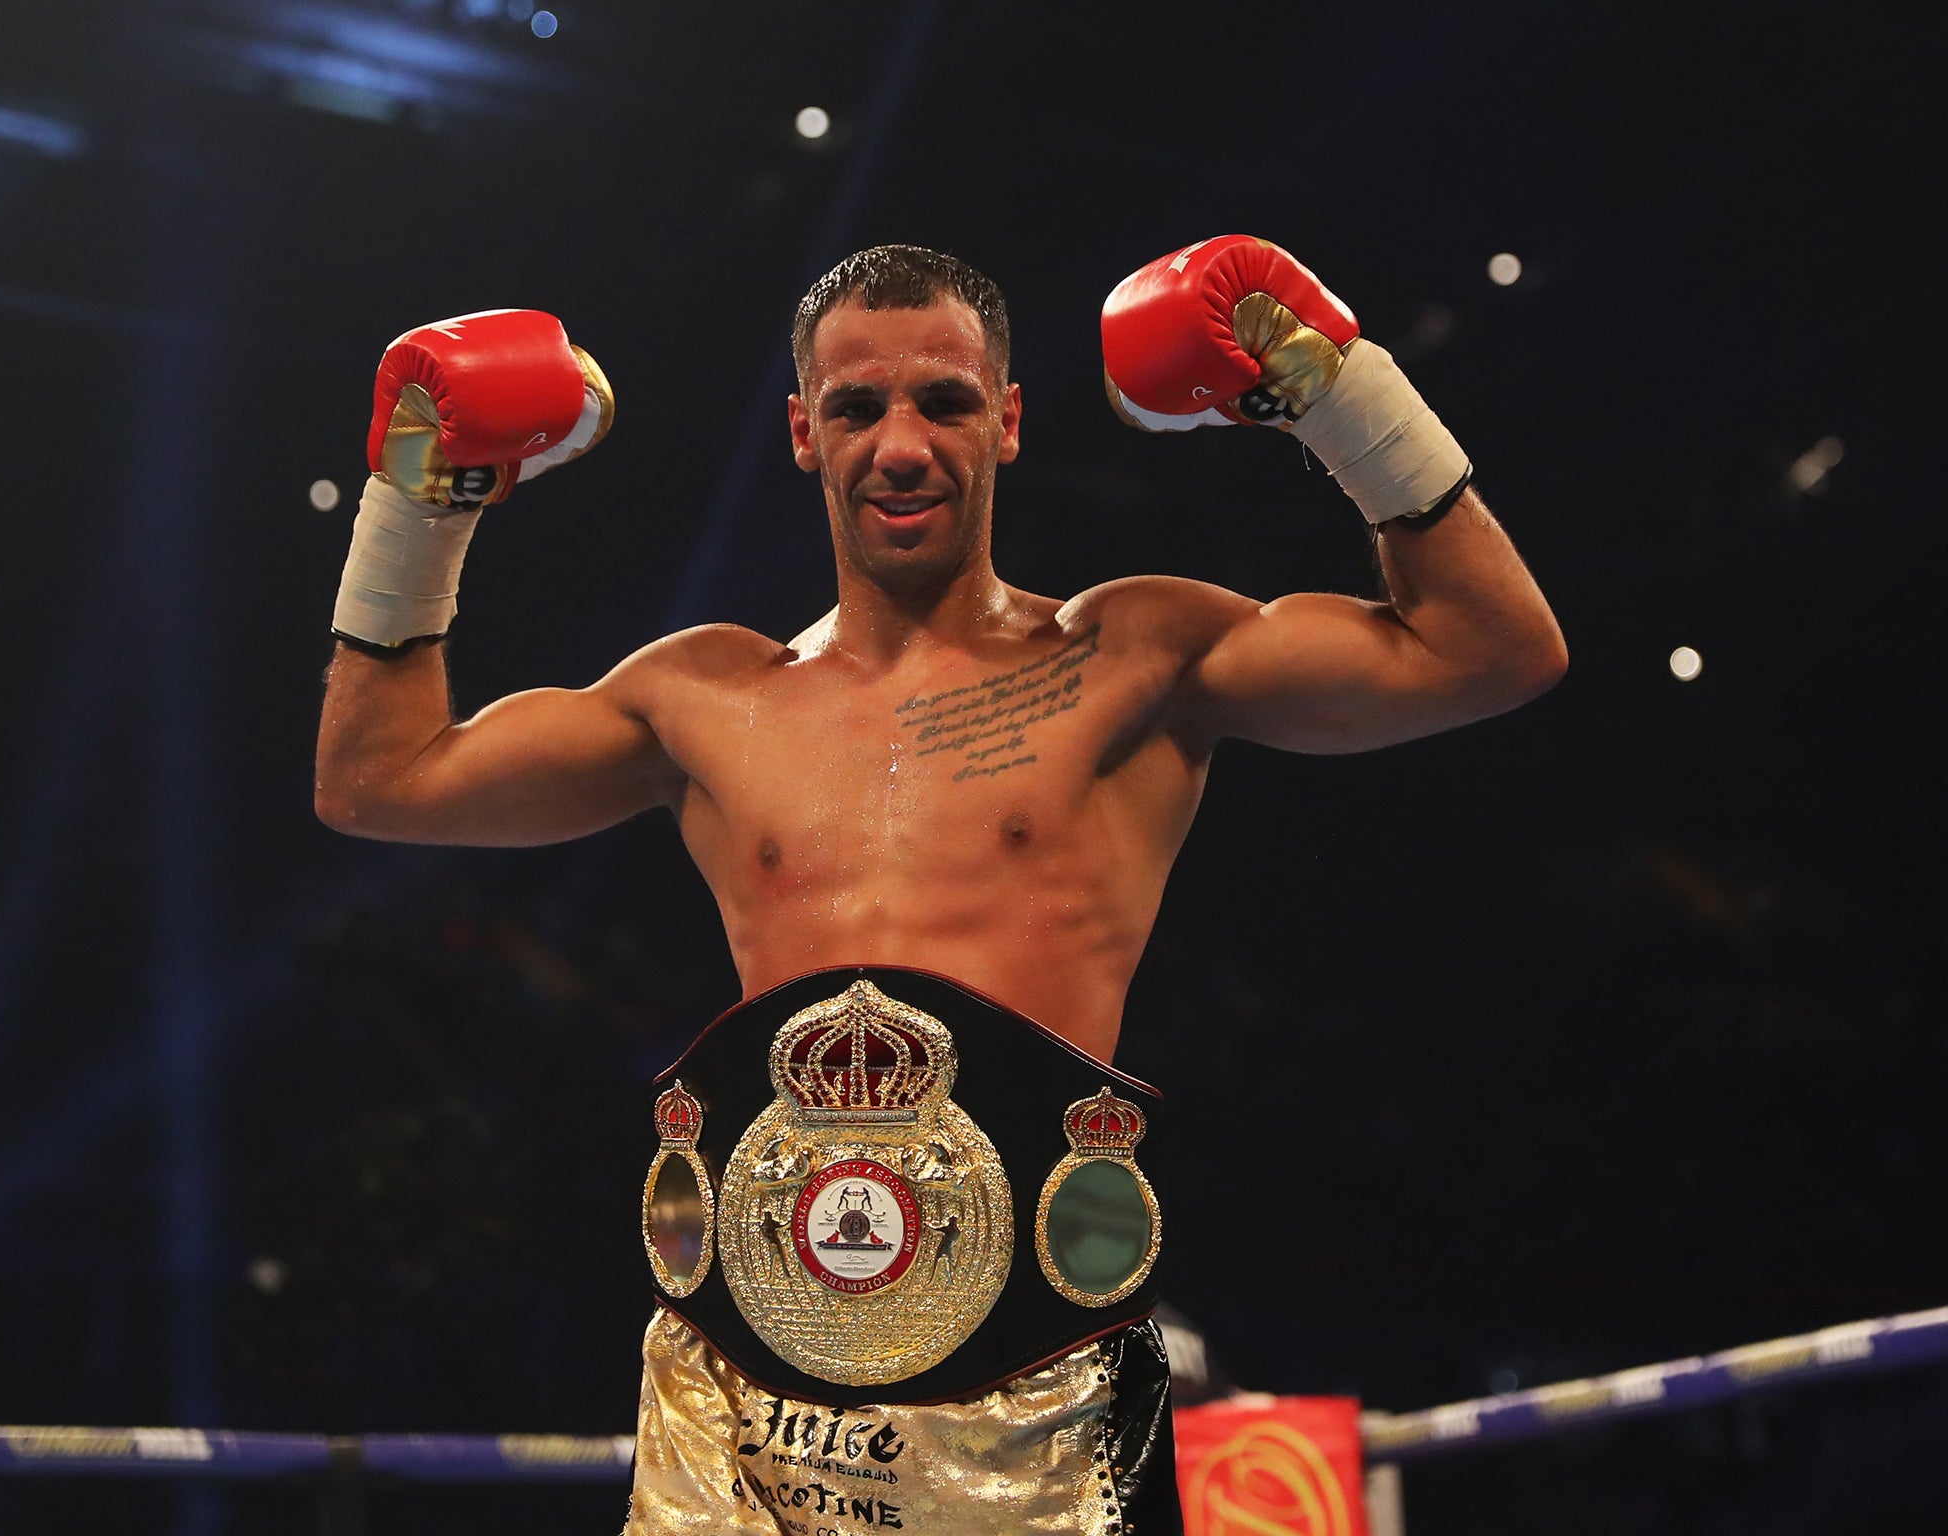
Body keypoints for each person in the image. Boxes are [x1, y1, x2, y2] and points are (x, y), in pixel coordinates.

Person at [315, 239, 1565, 1533]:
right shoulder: (702, 699)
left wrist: (1328, 381)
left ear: (1009, 421)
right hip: (748, 1394)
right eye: (858, 408)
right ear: (804, 433)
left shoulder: (1132, 658)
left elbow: (1488, 651)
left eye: (945, 402)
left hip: (1033, 1392)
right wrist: (424, 496)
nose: (901, 445)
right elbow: (379, 777)